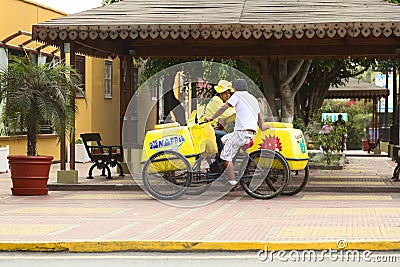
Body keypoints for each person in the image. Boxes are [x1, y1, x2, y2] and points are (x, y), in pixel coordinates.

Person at [205, 79, 270, 186]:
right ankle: (229, 165)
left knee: (225, 157)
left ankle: (232, 181)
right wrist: (262, 126)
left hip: (241, 133)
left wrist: (212, 118)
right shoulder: (252, 98)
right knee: (224, 139)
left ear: (234, 89)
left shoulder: (237, 95)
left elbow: (224, 107)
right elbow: (259, 116)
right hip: (250, 133)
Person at [201, 80, 235, 153]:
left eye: (229, 93)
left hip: (211, 128)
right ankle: (221, 160)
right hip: (207, 129)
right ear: (220, 93)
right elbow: (227, 113)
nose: (227, 95)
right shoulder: (217, 100)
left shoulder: (222, 102)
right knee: (225, 136)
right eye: (225, 93)